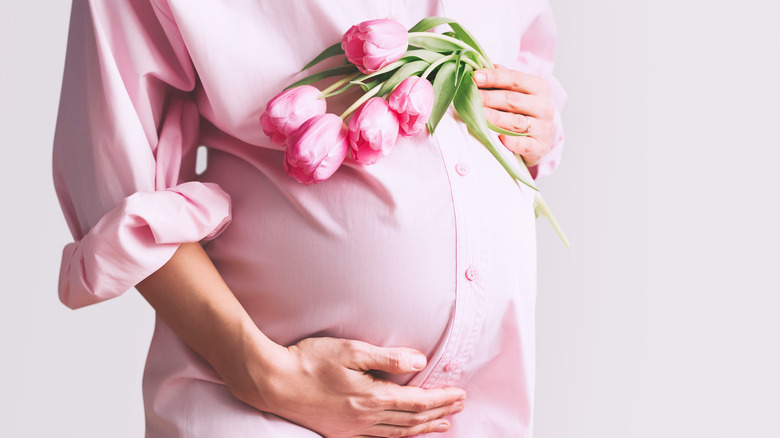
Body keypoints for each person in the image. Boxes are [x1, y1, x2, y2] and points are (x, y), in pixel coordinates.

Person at [53, 0, 565, 436]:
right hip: (265, 406)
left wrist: (539, 117)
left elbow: (524, 57)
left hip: (475, 408)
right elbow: (114, 182)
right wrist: (259, 372)